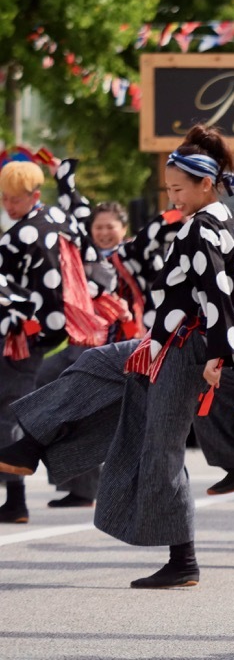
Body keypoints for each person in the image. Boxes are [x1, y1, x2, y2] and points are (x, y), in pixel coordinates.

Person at [96, 125, 234, 588]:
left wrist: (219, 353)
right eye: (169, 189)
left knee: (163, 448)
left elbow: (219, 292)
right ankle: (30, 441)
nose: (173, 197)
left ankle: (184, 560)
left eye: (178, 189)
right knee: (97, 374)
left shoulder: (201, 227)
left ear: (205, 184)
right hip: (178, 344)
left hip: (185, 347)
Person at [0, 158, 117, 524]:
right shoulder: (60, 220)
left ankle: (17, 499)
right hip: (67, 328)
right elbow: (81, 213)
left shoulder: (19, 235)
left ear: (34, 196)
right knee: (34, 407)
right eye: (4, 198)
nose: (8, 205)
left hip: (27, 334)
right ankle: (48, 490)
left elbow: (13, 289)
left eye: (14, 199)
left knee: (11, 409)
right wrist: (66, 179)